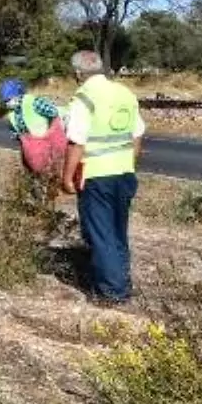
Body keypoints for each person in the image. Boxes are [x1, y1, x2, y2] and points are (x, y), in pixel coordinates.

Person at [60, 51, 145, 306]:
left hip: (96, 175)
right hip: (124, 172)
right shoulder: (124, 93)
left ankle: (111, 293)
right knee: (118, 230)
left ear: (78, 74)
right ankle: (122, 281)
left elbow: (76, 142)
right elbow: (137, 135)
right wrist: (128, 163)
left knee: (101, 233)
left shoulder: (84, 98)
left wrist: (66, 178)